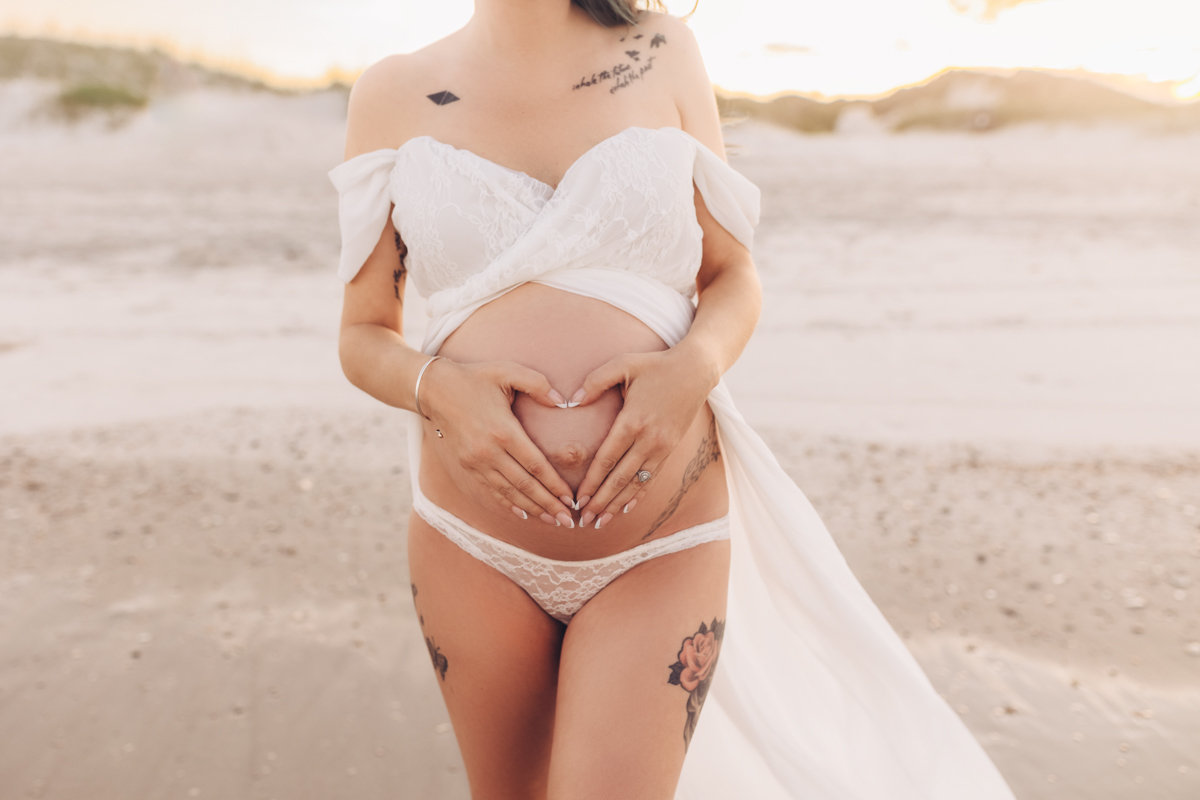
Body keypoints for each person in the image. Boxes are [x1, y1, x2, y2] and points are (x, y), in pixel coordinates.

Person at [328, 2, 1020, 798]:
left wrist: (695, 365)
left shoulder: (661, 51)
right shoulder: (391, 91)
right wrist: (437, 388)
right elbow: (363, 334)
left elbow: (733, 274)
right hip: (472, 546)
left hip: (660, 547)